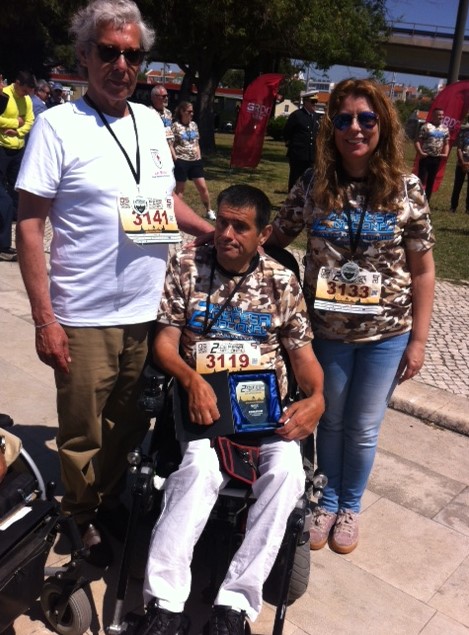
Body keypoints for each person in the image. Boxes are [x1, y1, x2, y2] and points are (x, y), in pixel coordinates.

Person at [15, 0, 213, 568]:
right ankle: (78, 516)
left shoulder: (150, 122)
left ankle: (106, 500)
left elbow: (165, 201)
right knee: (82, 432)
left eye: (132, 55)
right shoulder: (56, 126)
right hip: (83, 314)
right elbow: (29, 226)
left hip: (149, 312)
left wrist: (211, 229)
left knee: (129, 422)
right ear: (84, 56)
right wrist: (45, 319)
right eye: (108, 52)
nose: (121, 65)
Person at [138, 184, 324, 635]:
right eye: (222, 222)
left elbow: (304, 361)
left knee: (288, 476)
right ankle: (165, 603)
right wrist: (190, 380)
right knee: (198, 470)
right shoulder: (187, 266)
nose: (226, 233)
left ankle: (234, 606)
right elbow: (164, 344)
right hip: (203, 405)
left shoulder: (281, 282)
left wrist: (317, 398)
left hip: (263, 410)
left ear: (263, 235)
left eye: (240, 227)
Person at [268, 78, 435, 555]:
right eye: (343, 119)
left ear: (383, 125)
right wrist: (225, 240)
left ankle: (350, 506)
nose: (355, 128)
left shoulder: (406, 188)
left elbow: (424, 270)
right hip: (328, 331)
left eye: (366, 118)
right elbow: (276, 236)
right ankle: (326, 499)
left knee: (363, 427)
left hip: (387, 334)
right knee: (331, 419)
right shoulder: (314, 183)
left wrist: (418, 341)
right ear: (331, 128)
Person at [0, 69, 35, 239]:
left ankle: (14, 221)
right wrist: (15, 122)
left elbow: (30, 121)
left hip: (18, 148)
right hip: (2, 147)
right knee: (3, 194)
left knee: (17, 189)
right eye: (24, 90)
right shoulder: (4, 95)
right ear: (17, 84)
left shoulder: (26, 100)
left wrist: (18, 131)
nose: (25, 94)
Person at [171, 100, 216, 221]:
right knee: (180, 190)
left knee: (202, 187)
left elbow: (196, 142)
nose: (192, 114)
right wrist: (176, 159)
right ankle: (176, 214)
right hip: (181, 160)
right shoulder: (175, 126)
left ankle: (209, 210)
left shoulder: (194, 125)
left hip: (195, 161)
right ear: (182, 112)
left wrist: (199, 157)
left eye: (192, 111)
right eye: (189, 111)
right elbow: (170, 144)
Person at [283, 90, 321, 192]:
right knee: (296, 178)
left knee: (310, 180)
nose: (315, 104)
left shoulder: (316, 117)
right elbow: (287, 132)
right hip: (298, 154)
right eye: (313, 102)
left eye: (316, 102)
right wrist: (291, 145)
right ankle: (292, 197)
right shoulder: (297, 115)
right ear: (306, 102)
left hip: (311, 155)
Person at [415, 107, 449, 203]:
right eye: (439, 115)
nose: (441, 117)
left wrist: (445, 153)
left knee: (431, 181)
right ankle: (418, 201)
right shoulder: (426, 127)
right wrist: (420, 152)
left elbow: (446, 143)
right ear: (434, 115)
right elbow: (417, 141)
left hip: (436, 158)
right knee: (421, 180)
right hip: (426, 157)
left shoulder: (445, 129)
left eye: (442, 115)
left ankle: (427, 201)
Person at [450, 118, 469, 214]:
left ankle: (468, 209)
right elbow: (459, 149)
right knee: (457, 186)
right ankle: (453, 207)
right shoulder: (463, 133)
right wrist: (462, 162)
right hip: (461, 164)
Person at [150, 84, 174, 151]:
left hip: (169, 148)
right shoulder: (148, 112)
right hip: (156, 148)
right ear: (154, 98)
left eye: (167, 96)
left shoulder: (168, 113)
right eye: (163, 96)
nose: (166, 98)